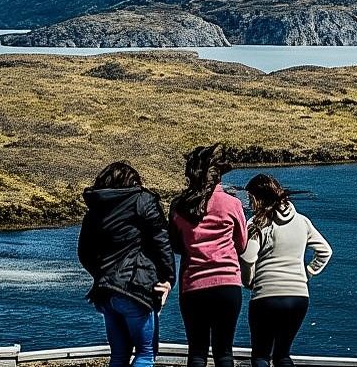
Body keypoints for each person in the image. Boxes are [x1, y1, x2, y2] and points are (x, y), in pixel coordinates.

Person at [78, 162, 177, 367]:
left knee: (119, 355)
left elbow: (84, 253)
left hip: (105, 292)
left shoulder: (95, 208)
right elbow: (162, 241)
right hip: (135, 289)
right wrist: (168, 279)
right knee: (145, 354)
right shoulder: (142, 200)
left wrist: (102, 274)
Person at [239, 174, 332, 367]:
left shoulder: (257, 223)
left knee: (261, 355)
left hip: (265, 297)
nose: (249, 204)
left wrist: (249, 282)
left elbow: (248, 258)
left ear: (259, 198)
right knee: (282, 355)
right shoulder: (302, 222)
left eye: (250, 199)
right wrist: (307, 272)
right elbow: (325, 251)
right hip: (298, 297)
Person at [168, 144, 248, 367]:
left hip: (193, 285)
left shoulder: (179, 205)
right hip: (227, 284)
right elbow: (241, 245)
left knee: (197, 352)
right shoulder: (232, 203)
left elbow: (175, 245)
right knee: (224, 352)